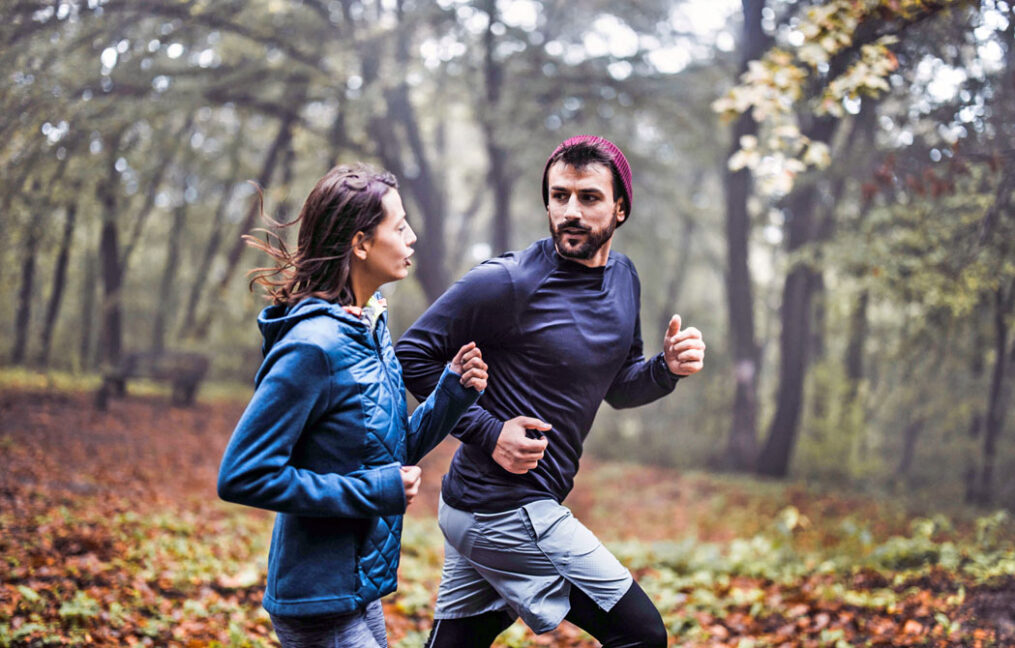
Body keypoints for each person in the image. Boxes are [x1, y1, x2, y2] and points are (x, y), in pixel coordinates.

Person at [395, 135, 706, 648]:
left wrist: (665, 369)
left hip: (477, 506)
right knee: (642, 635)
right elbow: (413, 356)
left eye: (588, 198)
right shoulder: (509, 281)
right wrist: (490, 431)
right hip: (503, 507)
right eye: (560, 196)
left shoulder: (624, 279)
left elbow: (620, 387)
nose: (571, 211)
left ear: (620, 208)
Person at [217, 163, 489, 648]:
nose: (412, 237)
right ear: (361, 244)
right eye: (399, 226)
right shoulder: (313, 346)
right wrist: (373, 489)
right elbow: (243, 474)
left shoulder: (369, 326)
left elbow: (391, 447)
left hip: (360, 588)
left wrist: (452, 393)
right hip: (318, 599)